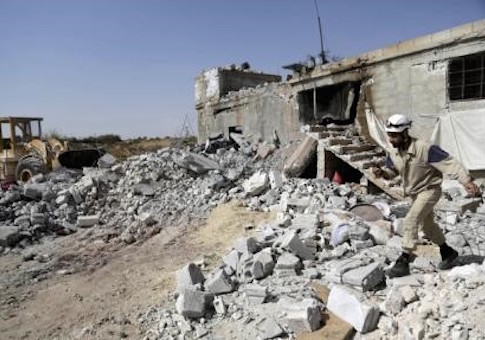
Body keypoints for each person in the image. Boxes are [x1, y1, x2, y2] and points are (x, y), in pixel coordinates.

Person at [372, 114, 481, 278]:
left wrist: (466, 181)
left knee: (410, 220)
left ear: (404, 134)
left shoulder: (425, 148)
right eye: (389, 135)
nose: (390, 139)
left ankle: (403, 262)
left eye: (394, 136)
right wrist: (382, 173)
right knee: (427, 227)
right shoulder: (393, 152)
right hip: (414, 194)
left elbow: (450, 163)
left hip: (430, 190)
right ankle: (448, 252)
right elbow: (392, 171)